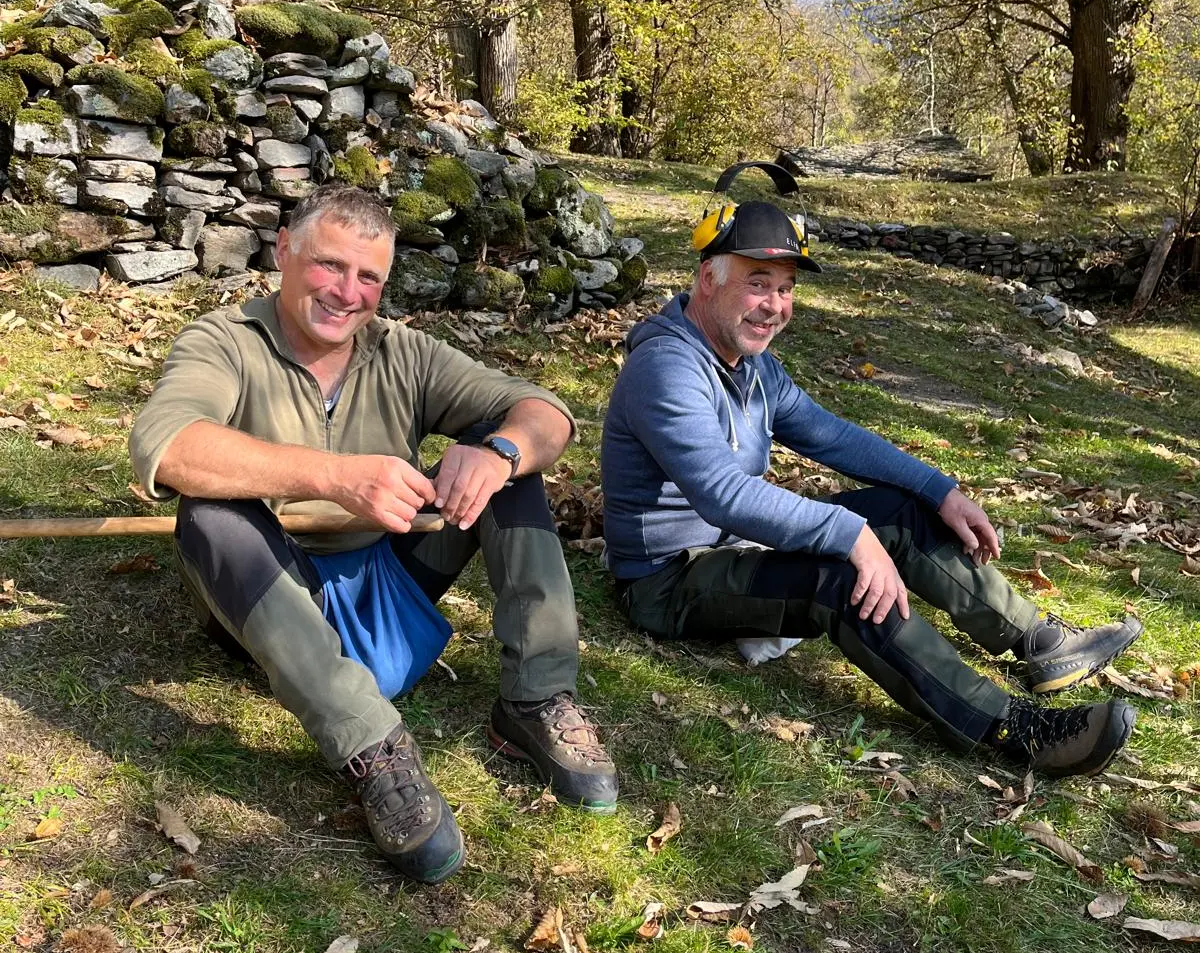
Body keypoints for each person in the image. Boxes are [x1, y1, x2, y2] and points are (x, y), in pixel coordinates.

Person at [130, 183, 617, 885]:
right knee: (208, 512)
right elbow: (168, 444)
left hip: (387, 585)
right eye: (329, 265)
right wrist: (332, 476)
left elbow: (546, 413)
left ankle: (536, 699)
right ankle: (374, 749)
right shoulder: (224, 342)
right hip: (270, 601)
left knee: (507, 466)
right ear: (285, 251)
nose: (346, 293)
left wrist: (500, 453)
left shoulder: (405, 353)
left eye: (368, 277)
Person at [601, 167, 1141, 777]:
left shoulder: (752, 365)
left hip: (735, 550)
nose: (775, 306)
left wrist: (938, 489)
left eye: (786, 288)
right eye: (758, 284)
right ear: (708, 279)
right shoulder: (668, 366)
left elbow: (829, 434)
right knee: (842, 581)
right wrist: (850, 536)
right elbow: (722, 494)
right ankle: (1014, 729)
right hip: (670, 581)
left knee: (902, 512)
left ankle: (1038, 642)